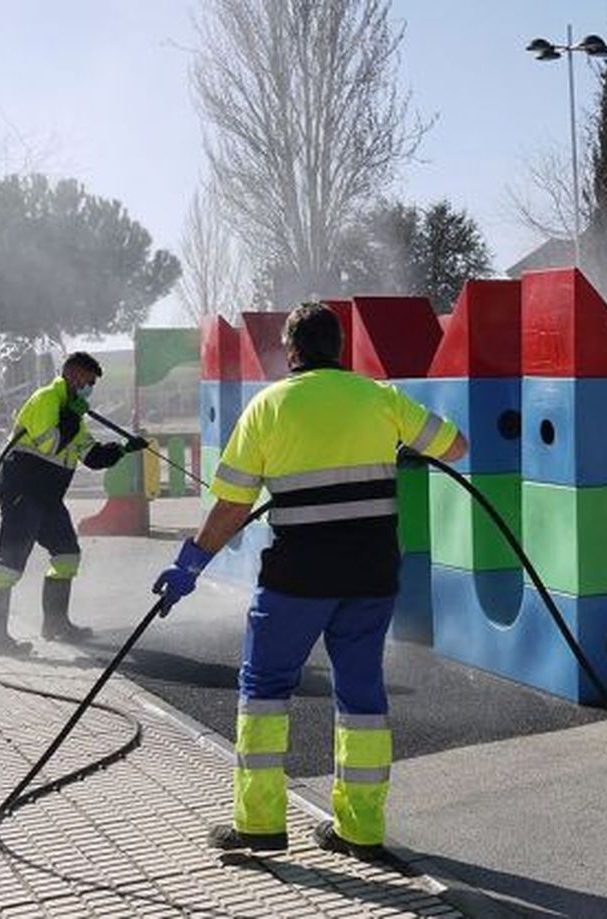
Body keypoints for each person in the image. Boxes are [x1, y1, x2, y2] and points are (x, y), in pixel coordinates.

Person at [152, 303, 468, 861]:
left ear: (292, 351)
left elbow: (231, 504)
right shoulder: (379, 397)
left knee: (265, 690)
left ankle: (260, 825)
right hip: (371, 577)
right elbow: (456, 447)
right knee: (362, 695)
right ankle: (360, 831)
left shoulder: (268, 406)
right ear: (339, 348)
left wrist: (191, 564)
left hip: (297, 581)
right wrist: (401, 451)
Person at [0, 351, 147, 657]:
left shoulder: (73, 414)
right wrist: (72, 414)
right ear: (72, 376)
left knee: (67, 557)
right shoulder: (46, 400)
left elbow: (92, 457)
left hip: (48, 499)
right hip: (23, 495)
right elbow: (51, 442)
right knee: (7, 569)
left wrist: (124, 448)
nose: (90, 388)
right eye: (88, 382)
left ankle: (56, 624)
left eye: (93, 384)